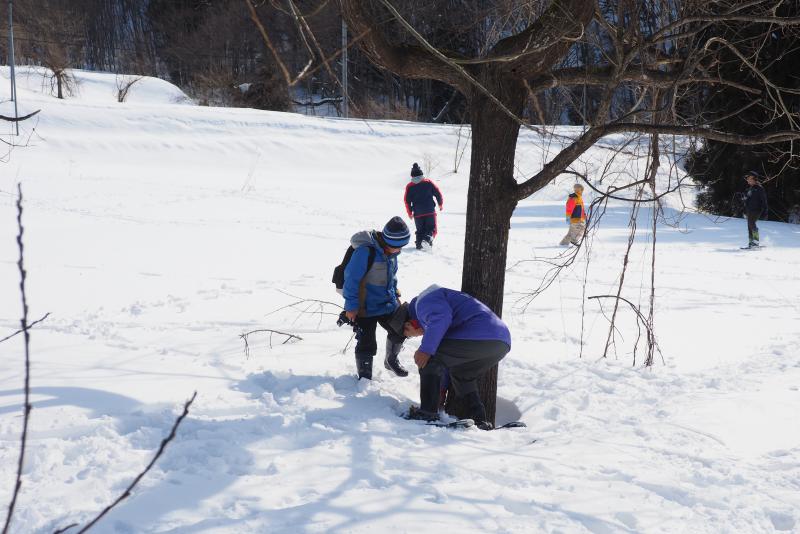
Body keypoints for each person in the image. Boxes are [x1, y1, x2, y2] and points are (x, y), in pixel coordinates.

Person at [401, 285, 511, 430]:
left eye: (407, 332)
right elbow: (446, 360)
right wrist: (440, 391)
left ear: (410, 322)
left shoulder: (424, 302)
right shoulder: (434, 307)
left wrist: (425, 350)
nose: (414, 335)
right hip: (501, 342)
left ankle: (427, 413)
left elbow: (442, 318)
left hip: (481, 334)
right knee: (462, 374)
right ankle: (480, 420)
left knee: (428, 357)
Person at [343, 216, 411, 380]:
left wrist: (396, 296)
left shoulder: (392, 253)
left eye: (402, 246)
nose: (399, 250)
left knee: (401, 328)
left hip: (387, 304)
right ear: (387, 241)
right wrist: (351, 307)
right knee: (366, 341)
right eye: (397, 247)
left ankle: (391, 359)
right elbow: (351, 279)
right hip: (365, 307)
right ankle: (365, 375)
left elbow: (392, 278)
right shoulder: (365, 252)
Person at [404, 163, 444, 250]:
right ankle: (427, 240)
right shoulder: (428, 182)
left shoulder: (409, 186)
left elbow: (407, 201)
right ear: (421, 174)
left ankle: (419, 245)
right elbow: (437, 193)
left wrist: (409, 213)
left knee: (420, 231)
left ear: (412, 175)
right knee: (432, 230)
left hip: (417, 213)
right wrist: (440, 204)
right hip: (430, 211)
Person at [743, 171, 768, 248]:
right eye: (747, 179)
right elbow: (747, 200)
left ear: (755, 179)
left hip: (756, 210)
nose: (748, 180)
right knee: (749, 226)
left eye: (749, 178)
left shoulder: (759, 188)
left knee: (751, 223)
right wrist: (744, 202)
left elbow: (764, 200)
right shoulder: (750, 189)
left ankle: (756, 242)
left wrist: (765, 211)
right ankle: (751, 243)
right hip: (749, 210)